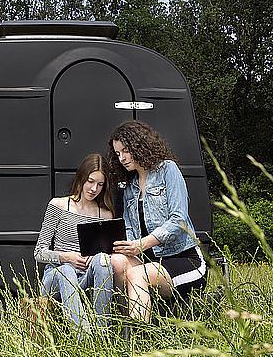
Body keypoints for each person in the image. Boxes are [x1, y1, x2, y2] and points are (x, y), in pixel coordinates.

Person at [108, 120, 206, 323]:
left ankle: (136, 341)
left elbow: (178, 220)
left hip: (184, 259)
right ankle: (123, 325)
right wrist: (124, 246)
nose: (122, 158)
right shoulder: (130, 186)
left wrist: (142, 244)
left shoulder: (167, 170)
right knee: (115, 263)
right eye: (118, 154)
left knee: (138, 275)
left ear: (140, 145)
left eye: (126, 150)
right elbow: (128, 227)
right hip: (150, 261)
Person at [34, 153, 115, 335]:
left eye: (100, 184)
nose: (94, 188)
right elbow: (39, 252)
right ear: (81, 177)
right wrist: (65, 258)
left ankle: (102, 333)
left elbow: (105, 257)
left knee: (103, 260)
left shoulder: (105, 214)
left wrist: (96, 257)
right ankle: (85, 338)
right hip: (56, 276)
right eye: (90, 181)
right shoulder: (59, 205)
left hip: (85, 279)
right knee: (67, 270)